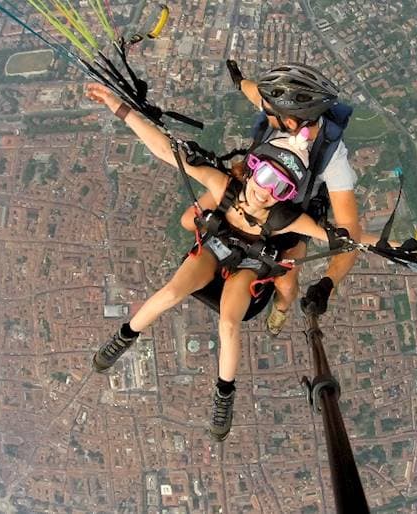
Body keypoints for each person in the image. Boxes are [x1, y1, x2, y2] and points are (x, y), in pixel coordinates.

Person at [84, 83, 357, 442]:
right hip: (220, 243)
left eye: (280, 187)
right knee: (171, 292)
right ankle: (124, 337)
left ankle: (227, 390)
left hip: (256, 260)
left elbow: (349, 237)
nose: (266, 189)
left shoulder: (287, 219)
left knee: (237, 318)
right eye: (265, 177)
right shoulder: (226, 186)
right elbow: (167, 151)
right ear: (253, 167)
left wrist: (396, 248)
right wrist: (118, 107)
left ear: (289, 196)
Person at [225, 61, 365, 335]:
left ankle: (281, 308)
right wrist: (240, 81)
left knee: (286, 284)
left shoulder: (332, 157)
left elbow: (351, 233)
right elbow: (258, 96)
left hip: (293, 212)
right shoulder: (283, 117)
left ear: (290, 121)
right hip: (257, 191)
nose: (264, 113)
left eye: (269, 111)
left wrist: (328, 283)